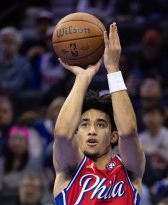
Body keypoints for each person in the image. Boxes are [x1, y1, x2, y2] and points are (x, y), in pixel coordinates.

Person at [53, 23, 145, 204]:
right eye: (84, 124)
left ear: (113, 136)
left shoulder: (130, 170)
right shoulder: (68, 171)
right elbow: (62, 134)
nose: (92, 130)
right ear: (77, 133)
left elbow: (128, 131)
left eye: (101, 124)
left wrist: (112, 68)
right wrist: (83, 78)